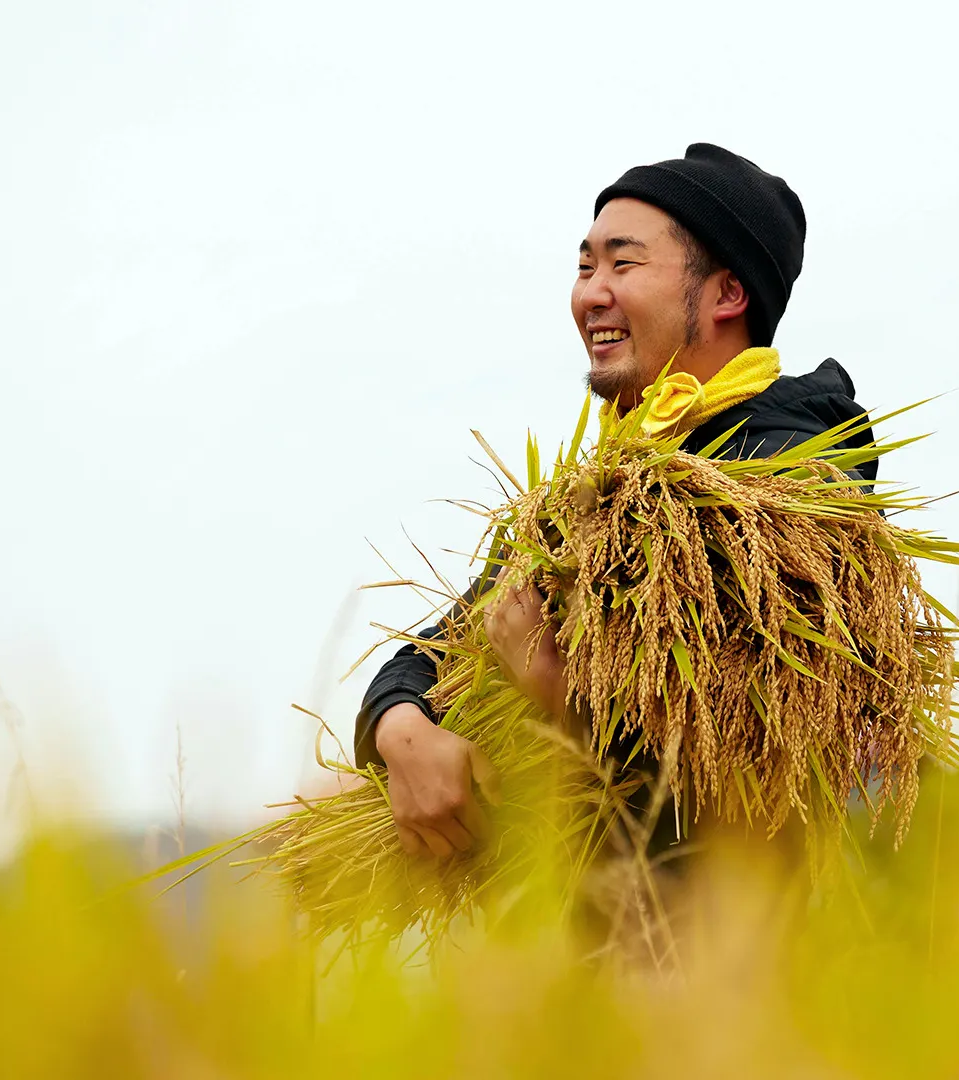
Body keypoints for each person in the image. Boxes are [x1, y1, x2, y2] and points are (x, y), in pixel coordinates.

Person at [353, 143, 878, 862]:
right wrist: (401, 729)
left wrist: (560, 689)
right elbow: (435, 650)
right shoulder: (594, 489)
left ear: (727, 293)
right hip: (577, 948)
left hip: (735, 947)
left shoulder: (797, 475)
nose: (590, 294)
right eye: (584, 266)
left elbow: (760, 753)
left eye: (623, 265)